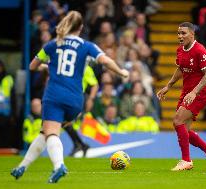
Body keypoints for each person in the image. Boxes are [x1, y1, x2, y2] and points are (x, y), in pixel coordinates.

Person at [11, 11, 129, 183]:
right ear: (80, 27)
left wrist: (47, 67)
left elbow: (32, 66)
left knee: (51, 133)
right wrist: (121, 71)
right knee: (45, 132)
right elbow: (105, 61)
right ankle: (22, 166)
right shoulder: (87, 45)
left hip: (55, 96)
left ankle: (59, 166)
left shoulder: (53, 44)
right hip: (75, 100)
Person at [156, 22, 206, 171]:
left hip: (199, 93)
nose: (180, 36)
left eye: (183, 33)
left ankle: (186, 160)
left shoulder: (200, 51)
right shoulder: (180, 50)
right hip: (187, 93)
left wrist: (194, 92)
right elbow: (180, 68)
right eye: (178, 33)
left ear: (192, 34)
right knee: (184, 130)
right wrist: (169, 85)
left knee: (178, 121)